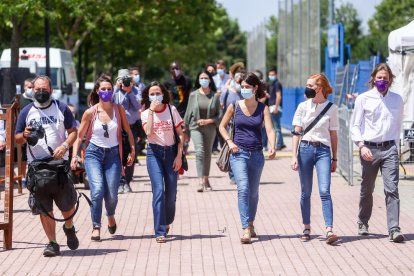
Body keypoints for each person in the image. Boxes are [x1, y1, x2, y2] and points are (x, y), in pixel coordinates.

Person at [15, 75, 79, 257]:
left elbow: (73, 132)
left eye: (44, 89)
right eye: (37, 90)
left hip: (59, 165)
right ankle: (52, 242)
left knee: (67, 205)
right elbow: (17, 138)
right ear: (32, 91)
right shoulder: (26, 112)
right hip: (37, 167)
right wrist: (25, 135)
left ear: (51, 90)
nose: (41, 92)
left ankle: (69, 226)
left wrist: (64, 146)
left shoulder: (62, 108)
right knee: (44, 207)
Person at [71, 75, 135, 241]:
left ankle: (111, 215)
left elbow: (128, 131)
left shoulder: (118, 109)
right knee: (98, 189)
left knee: (112, 194)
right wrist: (74, 156)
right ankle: (96, 226)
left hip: (113, 154)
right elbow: (79, 136)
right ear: (97, 91)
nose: (106, 92)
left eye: (109, 89)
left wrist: (133, 150)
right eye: (103, 89)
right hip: (93, 153)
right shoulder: (90, 112)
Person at [350, 63, 405, 242]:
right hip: (369, 149)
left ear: (390, 80)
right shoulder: (363, 99)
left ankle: (394, 229)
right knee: (367, 189)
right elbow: (355, 125)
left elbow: (398, 125)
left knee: (392, 189)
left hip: (389, 149)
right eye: (379, 78)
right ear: (374, 78)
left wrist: (396, 147)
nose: (382, 81)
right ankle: (363, 222)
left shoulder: (397, 99)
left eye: (386, 78)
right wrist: (361, 145)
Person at [219, 72, 276, 244]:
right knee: (243, 188)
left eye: (247, 87)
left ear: (255, 88)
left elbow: (270, 130)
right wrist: (230, 142)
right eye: (242, 87)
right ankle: (245, 228)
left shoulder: (262, 108)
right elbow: (221, 126)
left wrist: (272, 146)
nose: (243, 90)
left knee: (253, 192)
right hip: (238, 153)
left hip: (257, 155)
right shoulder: (234, 106)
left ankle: (251, 223)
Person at [290, 73, 339, 245]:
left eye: (310, 85)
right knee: (306, 192)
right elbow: (296, 133)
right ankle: (306, 227)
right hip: (305, 149)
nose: (307, 88)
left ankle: (329, 229)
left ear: (319, 88)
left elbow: (333, 135)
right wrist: (294, 156)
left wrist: (335, 158)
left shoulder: (332, 108)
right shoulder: (303, 107)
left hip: (323, 151)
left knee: (325, 190)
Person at [141, 81, 184, 243]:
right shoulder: (145, 113)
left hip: (172, 153)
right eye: (152, 94)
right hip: (154, 154)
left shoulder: (171, 110)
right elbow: (148, 132)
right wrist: (151, 111)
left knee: (171, 194)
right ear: (147, 96)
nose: (155, 96)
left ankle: (167, 222)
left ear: (163, 94)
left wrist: (179, 155)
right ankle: (159, 230)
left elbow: (181, 134)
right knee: (158, 191)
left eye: (157, 93)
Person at [184, 70, 221, 192]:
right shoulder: (193, 95)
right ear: (198, 80)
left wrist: (208, 121)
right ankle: (200, 180)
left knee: (207, 154)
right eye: (201, 78)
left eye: (206, 78)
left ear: (210, 80)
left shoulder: (215, 96)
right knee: (199, 152)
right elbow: (188, 113)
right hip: (196, 127)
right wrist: (185, 130)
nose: (203, 80)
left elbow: (220, 116)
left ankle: (206, 178)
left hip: (210, 128)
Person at [113, 69, 141, 193]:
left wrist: (129, 92)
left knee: (131, 154)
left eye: (127, 79)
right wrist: (116, 88)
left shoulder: (135, 91)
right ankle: (119, 180)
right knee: (117, 154)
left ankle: (127, 182)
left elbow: (138, 106)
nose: (125, 82)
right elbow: (109, 102)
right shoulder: (115, 91)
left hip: (132, 126)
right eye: (122, 79)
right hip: (117, 127)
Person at [163, 61, 192, 154]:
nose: (175, 70)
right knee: (175, 130)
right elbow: (167, 97)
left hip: (185, 109)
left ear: (181, 69)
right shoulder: (167, 83)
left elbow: (190, 94)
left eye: (177, 68)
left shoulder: (187, 80)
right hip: (173, 110)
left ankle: (185, 144)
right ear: (170, 70)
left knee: (185, 129)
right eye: (173, 68)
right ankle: (177, 146)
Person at [267, 67, 286, 150]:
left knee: (276, 128)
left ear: (276, 74)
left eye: (273, 74)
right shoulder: (271, 84)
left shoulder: (277, 83)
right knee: (276, 127)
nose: (271, 76)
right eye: (270, 75)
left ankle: (278, 145)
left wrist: (276, 107)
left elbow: (278, 96)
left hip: (275, 107)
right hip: (272, 107)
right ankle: (281, 143)